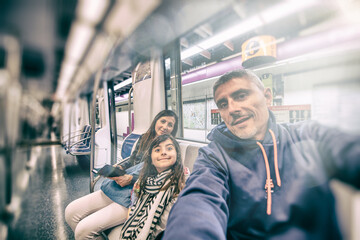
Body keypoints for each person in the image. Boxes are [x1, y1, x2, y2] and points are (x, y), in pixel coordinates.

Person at [163, 69, 360, 239]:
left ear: (267, 96)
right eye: (223, 104)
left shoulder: (309, 136)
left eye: (241, 96)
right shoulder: (214, 156)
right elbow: (198, 204)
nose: (232, 109)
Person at [65, 110, 178, 240]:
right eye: (163, 121)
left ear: (173, 129)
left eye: (170, 124)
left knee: (83, 231)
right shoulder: (144, 138)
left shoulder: (170, 149)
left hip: (136, 195)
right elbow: (132, 160)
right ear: (156, 121)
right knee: (71, 212)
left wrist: (130, 179)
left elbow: (161, 177)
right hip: (120, 186)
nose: (165, 126)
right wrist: (120, 167)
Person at [119, 134, 186, 240]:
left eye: (169, 148)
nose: (163, 152)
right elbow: (133, 206)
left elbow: (168, 224)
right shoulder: (142, 181)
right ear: (150, 158)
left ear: (177, 154)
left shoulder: (182, 183)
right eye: (157, 150)